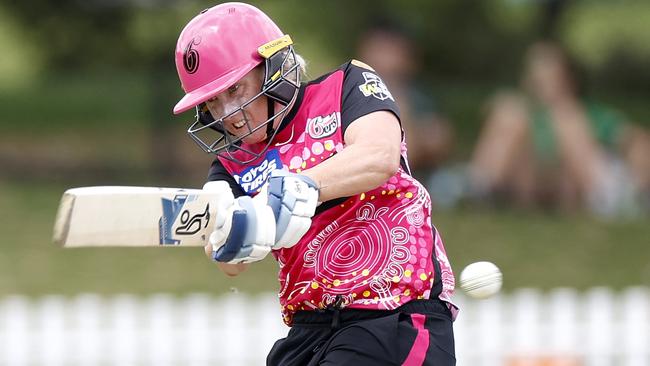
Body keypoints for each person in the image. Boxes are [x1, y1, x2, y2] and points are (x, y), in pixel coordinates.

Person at [172, 3, 456, 365]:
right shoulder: (233, 165)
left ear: (271, 68)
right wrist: (229, 229)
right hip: (309, 328)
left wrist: (294, 189)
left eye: (236, 90)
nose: (228, 114)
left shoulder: (347, 86)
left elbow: (379, 155)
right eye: (213, 102)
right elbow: (230, 265)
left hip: (394, 314)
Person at [469, 41, 650, 217]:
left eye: (549, 76)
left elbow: (636, 140)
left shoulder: (586, 114)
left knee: (567, 117)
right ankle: (478, 189)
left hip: (575, 183)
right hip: (526, 181)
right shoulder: (522, 115)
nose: (539, 82)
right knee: (509, 113)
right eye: (535, 76)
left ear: (569, 81)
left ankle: (613, 197)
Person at [355, 22, 454, 187]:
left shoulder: (416, 96)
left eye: (392, 52)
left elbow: (440, 136)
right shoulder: (348, 87)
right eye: (379, 50)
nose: (385, 59)